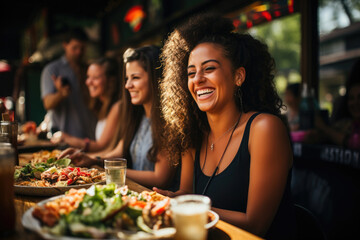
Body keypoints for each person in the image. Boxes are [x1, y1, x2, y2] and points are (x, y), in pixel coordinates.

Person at [154, 14, 296, 239]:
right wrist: (168, 199)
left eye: (209, 69)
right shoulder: (192, 133)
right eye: (191, 73)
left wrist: (182, 207)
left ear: (238, 76)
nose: (197, 79)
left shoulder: (264, 129)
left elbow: (255, 225)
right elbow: (187, 194)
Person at [59, 45, 177, 190]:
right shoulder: (137, 116)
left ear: (156, 79)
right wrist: (91, 159)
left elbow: (160, 178)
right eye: (127, 78)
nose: (128, 85)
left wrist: (111, 171)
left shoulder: (169, 121)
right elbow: (118, 151)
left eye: (135, 78)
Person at [51, 57, 121, 152]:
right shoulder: (102, 106)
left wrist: (66, 138)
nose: (88, 82)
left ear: (111, 81)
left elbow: (100, 146)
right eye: (88, 77)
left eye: (95, 78)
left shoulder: (117, 107)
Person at [40, 28, 97, 139]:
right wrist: (61, 94)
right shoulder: (52, 69)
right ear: (65, 45)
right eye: (74, 48)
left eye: (82, 48)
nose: (79, 52)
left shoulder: (88, 69)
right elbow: (47, 104)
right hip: (63, 138)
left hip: (89, 136)